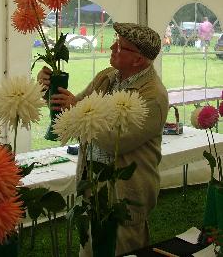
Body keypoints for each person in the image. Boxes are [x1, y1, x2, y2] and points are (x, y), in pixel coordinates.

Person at [38, 22, 169, 256]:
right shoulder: (107, 77)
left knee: (121, 247)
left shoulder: (153, 97)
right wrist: (49, 87)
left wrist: (76, 109)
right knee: (89, 248)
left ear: (138, 60)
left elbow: (114, 141)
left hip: (125, 195)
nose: (111, 46)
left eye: (120, 45)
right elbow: (71, 109)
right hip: (92, 185)